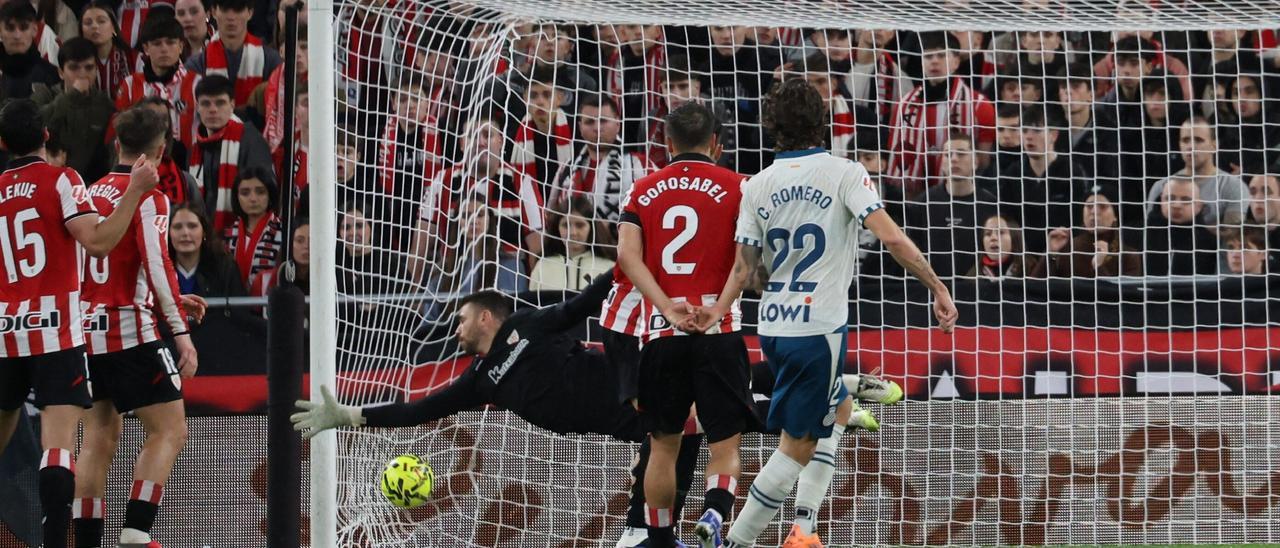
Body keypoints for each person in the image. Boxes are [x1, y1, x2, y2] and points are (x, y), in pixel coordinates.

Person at [707, 78, 956, 548]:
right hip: (818, 327)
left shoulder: (756, 184)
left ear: (771, 128)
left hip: (773, 326)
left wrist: (718, 311)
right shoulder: (845, 172)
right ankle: (734, 542)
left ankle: (804, 527)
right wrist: (937, 287)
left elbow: (743, 267)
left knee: (835, 411)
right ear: (822, 122)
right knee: (797, 445)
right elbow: (893, 239)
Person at [0, 98, 158, 548]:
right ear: (46, 136)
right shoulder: (62, 180)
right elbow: (99, 242)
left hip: (6, 332)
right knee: (59, 443)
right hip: (56, 329)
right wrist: (133, 192)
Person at [615, 102, 758, 548]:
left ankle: (658, 538)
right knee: (725, 443)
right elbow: (747, 262)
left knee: (663, 445)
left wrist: (666, 308)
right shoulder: (740, 186)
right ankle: (715, 512)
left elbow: (626, 257)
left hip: (663, 333)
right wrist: (716, 309)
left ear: (668, 143)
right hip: (719, 329)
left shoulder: (642, 189)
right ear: (716, 143)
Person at [73, 106, 198, 548]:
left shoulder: (89, 193)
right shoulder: (149, 194)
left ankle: (86, 541)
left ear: (117, 145)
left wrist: (167, 301)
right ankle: (136, 531)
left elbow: (95, 266)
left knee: (98, 438)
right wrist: (179, 330)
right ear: (161, 149)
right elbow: (156, 261)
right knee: (170, 429)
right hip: (131, 330)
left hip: (86, 332)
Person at [886, 30, 995, 195]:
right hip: (912, 198)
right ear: (922, 62)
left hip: (961, 194)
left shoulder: (980, 106)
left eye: (942, 56)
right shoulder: (904, 105)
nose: (934, 62)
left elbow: (984, 161)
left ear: (956, 61)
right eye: (928, 57)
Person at [906, 132, 1000, 279]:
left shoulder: (991, 206)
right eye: (948, 155)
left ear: (975, 161)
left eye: (961, 154)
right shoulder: (921, 204)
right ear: (942, 163)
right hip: (931, 289)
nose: (954, 159)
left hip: (978, 289)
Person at [549, 93, 652, 225]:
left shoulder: (640, 165)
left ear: (618, 124)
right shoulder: (566, 168)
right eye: (589, 122)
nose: (597, 128)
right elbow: (551, 215)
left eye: (603, 121)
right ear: (580, 127)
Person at [189, 74, 274, 232]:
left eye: (220, 103)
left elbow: (264, 197)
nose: (213, 109)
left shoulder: (251, 140)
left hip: (239, 235)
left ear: (232, 104)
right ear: (197, 107)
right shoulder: (196, 146)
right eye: (206, 104)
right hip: (204, 235)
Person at [115, 12, 202, 151]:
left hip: (188, 166)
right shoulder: (130, 85)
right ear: (146, 49)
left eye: (170, 42)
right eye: (157, 43)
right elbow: (117, 135)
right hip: (143, 164)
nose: (164, 49)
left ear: (181, 46)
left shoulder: (197, 84)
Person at [33, 36, 115, 183]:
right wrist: (72, 96)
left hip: (89, 185)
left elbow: (109, 153)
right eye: (74, 68)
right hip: (47, 180)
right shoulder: (44, 94)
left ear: (96, 70)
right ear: (60, 72)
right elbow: (36, 124)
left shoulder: (104, 105)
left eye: (89, 68)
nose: (82, 74)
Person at [1145, 116, 1248, 228]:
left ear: (1214, 146)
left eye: (1198, 140)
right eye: (1185, 140)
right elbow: (1152, 233)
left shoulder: (1234, 186)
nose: (1191, 146)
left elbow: (1232, 236)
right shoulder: (1161, 187)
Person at [185, 0, 282, 107]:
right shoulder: (196, 64)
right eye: (225, 10)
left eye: (238, 10)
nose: (231, 17)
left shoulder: (271, 60)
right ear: (213, 12)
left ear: (250, 13)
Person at [1033, 186, 1143, 278]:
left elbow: (1126, 298)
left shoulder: (1129, 256)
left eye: (1102, 206)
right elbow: (1034, 289)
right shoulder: (1067, 248)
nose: (1094, 212)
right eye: (1089, 206)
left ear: (1116, 216)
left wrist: (1099, 267)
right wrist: (1050, 253)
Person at [530, 196, 616, 292]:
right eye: (565, 225)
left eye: (580, 225)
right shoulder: (543, 266)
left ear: (592, 228)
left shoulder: (609, 267)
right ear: (556, 228)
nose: (573, 232)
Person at [169, 201, 249, 298]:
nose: (185, 233)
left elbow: (240, 311)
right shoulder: (156, 268)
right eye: (177, 227)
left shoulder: (225, 266)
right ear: (168, 233)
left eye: (192, 226)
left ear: (204, 232)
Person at [1144, 176, 1220, 276]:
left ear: (1199, 205)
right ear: (1161, 201)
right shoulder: (1140, 234)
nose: (1176, 205)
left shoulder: (1211, 241)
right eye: (1170, 198)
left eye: (1186, 200)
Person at [224, 166, 284, 289]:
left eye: (260, 192)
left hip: (269, 304)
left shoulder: (284, 233)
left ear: (270, 194)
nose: (253, 199)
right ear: (237, 197)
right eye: (245, 193)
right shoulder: (227, 235)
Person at [0, 2, 61, 104]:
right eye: (10, 28)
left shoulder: (51, 75)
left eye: (23, 27)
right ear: (0, 32)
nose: (17, 35)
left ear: (35, 30)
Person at [79, 1, 133, 101]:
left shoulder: (134, 58)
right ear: (81, 30)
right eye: (88, 23)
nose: (94, 26)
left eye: (101, 21)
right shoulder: (75, 61)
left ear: (113, 27)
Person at [967, 214, 1029, 278]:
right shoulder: (973, 276)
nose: (993, 238)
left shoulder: (1031, 269)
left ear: (1014, 239)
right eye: (988, 234)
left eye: (1001, 232)